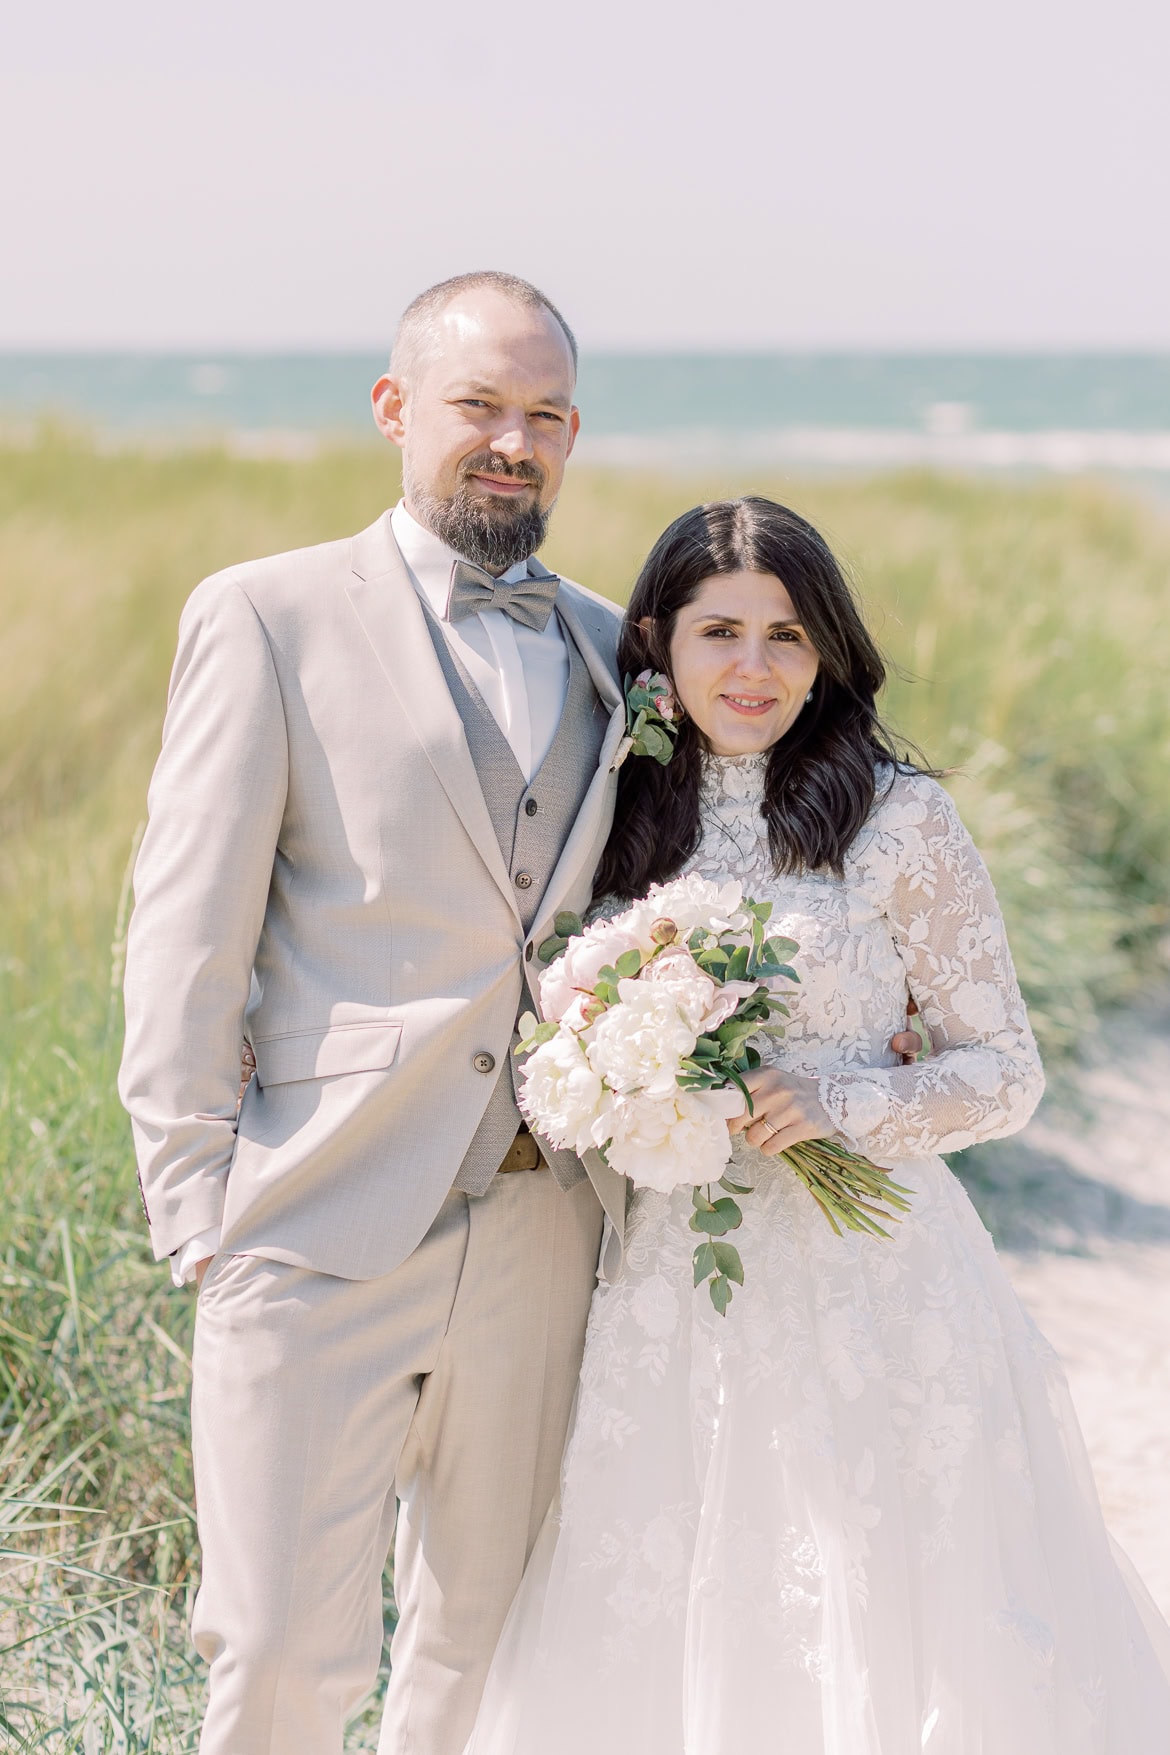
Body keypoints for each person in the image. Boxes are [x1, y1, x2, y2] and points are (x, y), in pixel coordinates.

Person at [465, 497, 1170, 1755]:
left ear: (828, 652)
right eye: (720, 631)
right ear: (657, 646)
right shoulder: (617, 816)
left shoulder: (899, 822)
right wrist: (617, 1077)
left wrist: (840, 1102)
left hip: (873, 1283)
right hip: (671, 1277)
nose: (753, 668)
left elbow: (1007, 1073)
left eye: (788, 637)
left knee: (880, 1587)